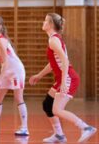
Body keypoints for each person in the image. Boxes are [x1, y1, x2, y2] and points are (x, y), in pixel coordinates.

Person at [29, 13, 96, 143]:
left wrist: (64, 80)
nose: (43, 23)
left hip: (68, 77)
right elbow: (54, 62)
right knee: (47, 104)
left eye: (45, 20)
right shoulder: (54, 39)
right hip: (63, 77)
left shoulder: (53, 40)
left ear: (50, 25)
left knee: (57, 110)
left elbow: (65, 60)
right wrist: (39, 75)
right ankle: (59, 135)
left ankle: (86, 127)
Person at [0, 15, 29, 136]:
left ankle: (24, 128)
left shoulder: (2, 41)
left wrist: (0, 79)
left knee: (18, 98)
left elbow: (7, 62)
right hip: (5, 69)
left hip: (15, 70)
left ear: (0, 26)